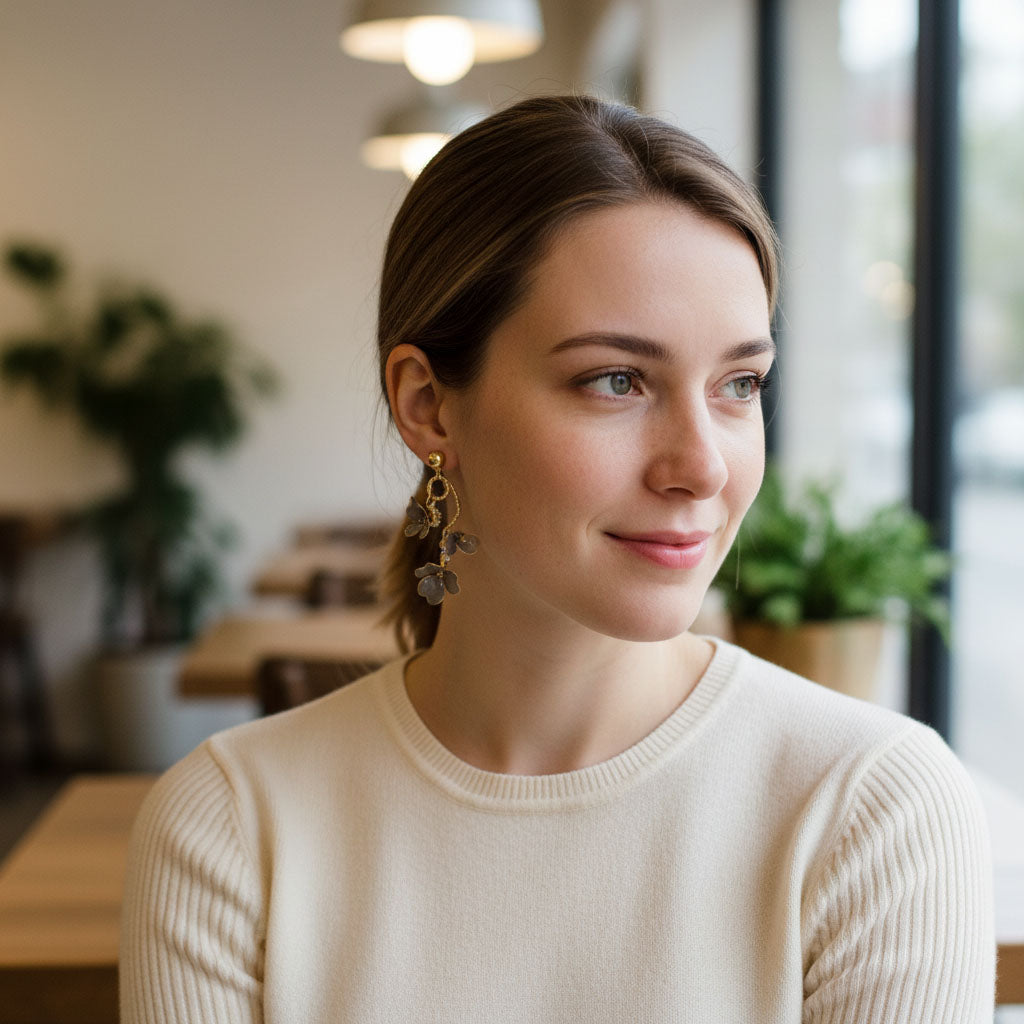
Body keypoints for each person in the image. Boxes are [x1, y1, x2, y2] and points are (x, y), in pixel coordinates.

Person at [120, 94, 995, 1022]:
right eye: (616, 380)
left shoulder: (870, 809)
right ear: (429, 406)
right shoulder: (230, 831)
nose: (702, 465)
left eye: (740, 384)